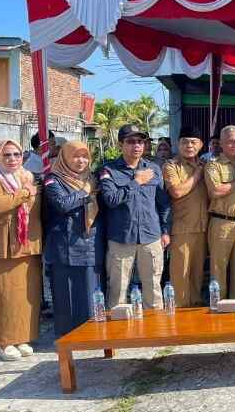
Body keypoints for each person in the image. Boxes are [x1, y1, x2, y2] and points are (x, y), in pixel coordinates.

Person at [100, 125, 170, 309]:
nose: (137, 146)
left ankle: (155, 332)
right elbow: (111, 199)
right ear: (120, 144)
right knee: (118, 289)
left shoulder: (153, 169)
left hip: (151, 236)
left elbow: (163, 203)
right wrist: (137, 182)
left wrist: (165, 230)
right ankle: (119, 333)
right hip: (121, 237)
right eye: (131, 141)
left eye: (140, 141)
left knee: (153, 288)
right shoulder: (108, 170)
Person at [43, 140, 105, 336]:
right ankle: (68, 337)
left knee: (90, 293)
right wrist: (85, 191)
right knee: (66, 295)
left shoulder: (92, 177)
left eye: (85, 156)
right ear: (65, 157)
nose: (81, 160)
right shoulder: (53, 179)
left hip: (91, 242)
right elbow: (62, 204)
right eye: (75, 156)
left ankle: (91, 335)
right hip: (65, 245)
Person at [0, 140, 41, 361]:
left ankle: (21, 337)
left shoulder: (28, 178)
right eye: (7, 155)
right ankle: (2, 341)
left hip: (26, 246)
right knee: (4, 295)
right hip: (2, 248)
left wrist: (27, 190)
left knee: (25, 295)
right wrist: (23, 193)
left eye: (17, 154)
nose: (12, 159)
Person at [162, 127, 208, 307]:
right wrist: (197, 174)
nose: (189, 145)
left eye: (193, 142)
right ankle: (180, 319)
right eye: (185, 142)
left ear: (201, 145)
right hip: (182, 229)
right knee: (180, 278)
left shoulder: (207, 166)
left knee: (198, 278)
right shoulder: (171, 166)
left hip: (203, 228)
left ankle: (195, 319)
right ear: (178, 144)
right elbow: (177, 191)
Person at [205, 125, 235, 301]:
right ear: (221, 144)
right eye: (230, 141)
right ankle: (218, 310)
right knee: (218, 271)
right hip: (221, 223)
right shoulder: (213, 165)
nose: (234, 145)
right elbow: (215, 191)